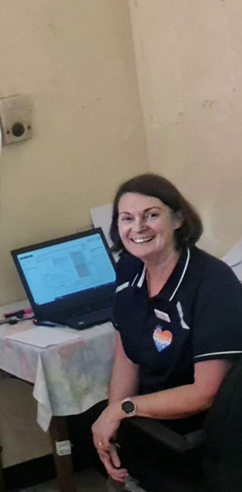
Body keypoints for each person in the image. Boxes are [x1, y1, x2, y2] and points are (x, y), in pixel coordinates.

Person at [91, 174, 242, 490]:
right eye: (127, 218)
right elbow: (126, 355)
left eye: (151, 215)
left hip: (196, 430)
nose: (138, 227)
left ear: (178, 219)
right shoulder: (129, 269)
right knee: (88, 431)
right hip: (145, 416)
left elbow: (206, 392)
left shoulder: (213, 284)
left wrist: (123, 409)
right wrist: (112, 420)